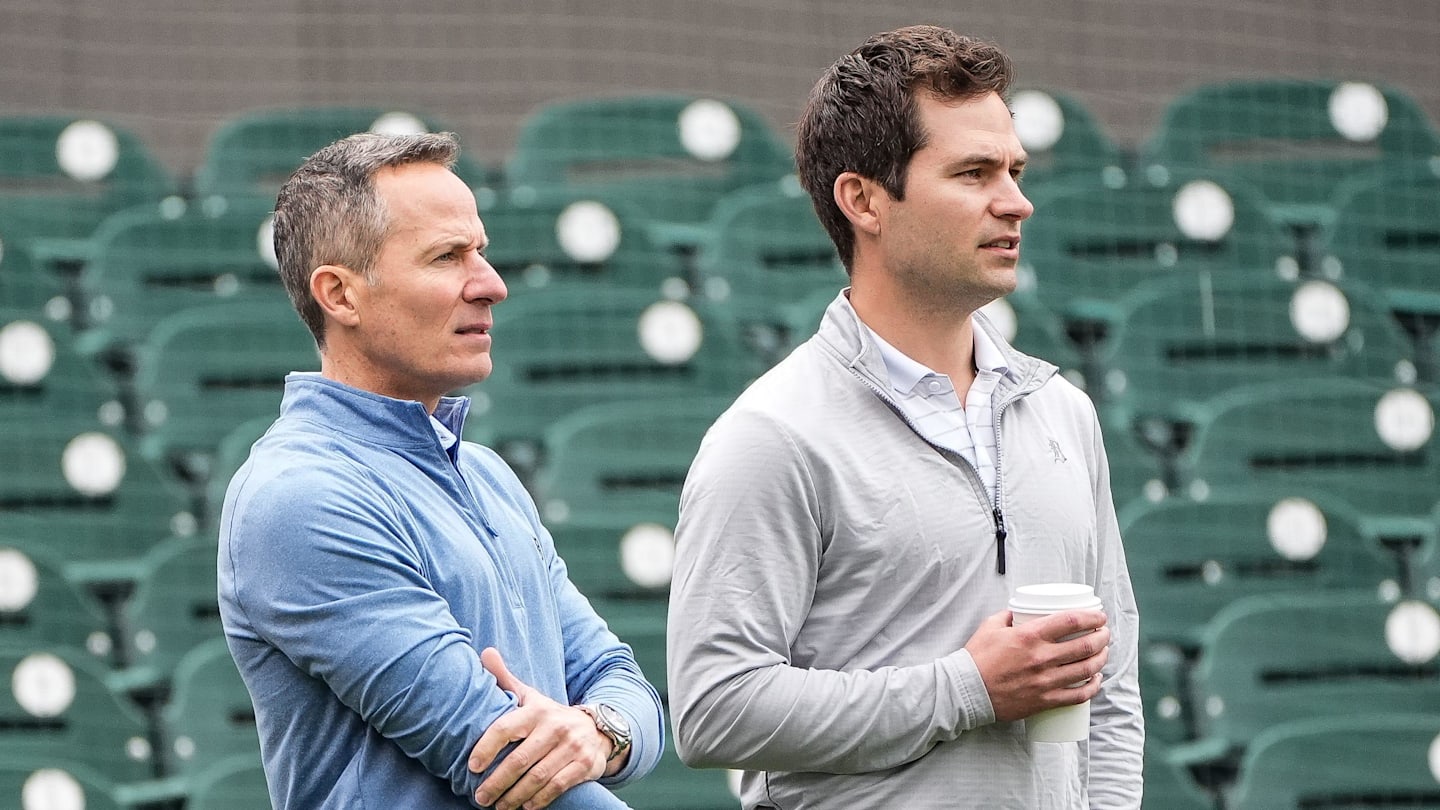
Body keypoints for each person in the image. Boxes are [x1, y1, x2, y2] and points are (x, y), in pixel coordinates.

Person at [665, 24, 1143, 809]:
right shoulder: (770, 437)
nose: (1016, 201)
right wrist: (968, 688)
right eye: (974, 173)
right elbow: (714, 710)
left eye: (1015, 170)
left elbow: (1112, 688)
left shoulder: (1065, 414)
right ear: (862, 201)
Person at [218, 132, 664, 810]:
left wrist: (598, 731)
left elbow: (619, 681)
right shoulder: (300, 497)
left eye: (480, 252)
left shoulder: (486, 474)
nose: (491, 285)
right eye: (447, 257)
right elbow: (503, 765)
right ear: (340, 295)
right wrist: (590, 736)